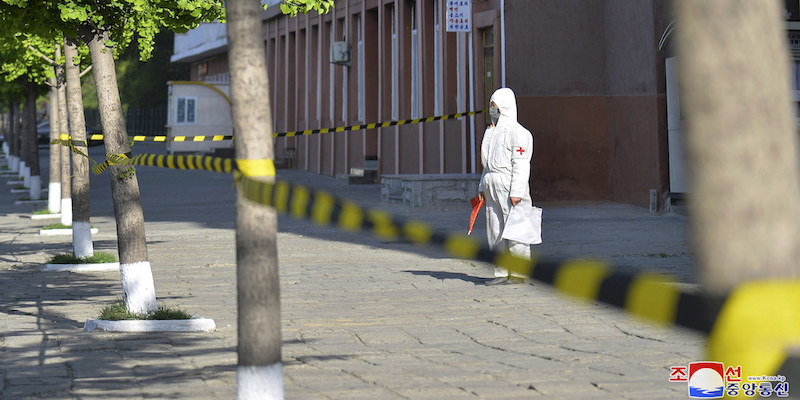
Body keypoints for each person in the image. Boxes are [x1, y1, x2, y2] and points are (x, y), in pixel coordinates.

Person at [477, 88, 534, 286]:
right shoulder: (491, 132)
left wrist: (517, 191)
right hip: (492, 184)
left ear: (504, 106)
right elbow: (487, 164)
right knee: (494, 229)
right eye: (491, 105)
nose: (491, 109)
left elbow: (521, 163)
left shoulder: (518, 133)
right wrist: (482, 187)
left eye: (494, 106)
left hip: (509, 184)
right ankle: (501, 271)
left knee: (516, 228)